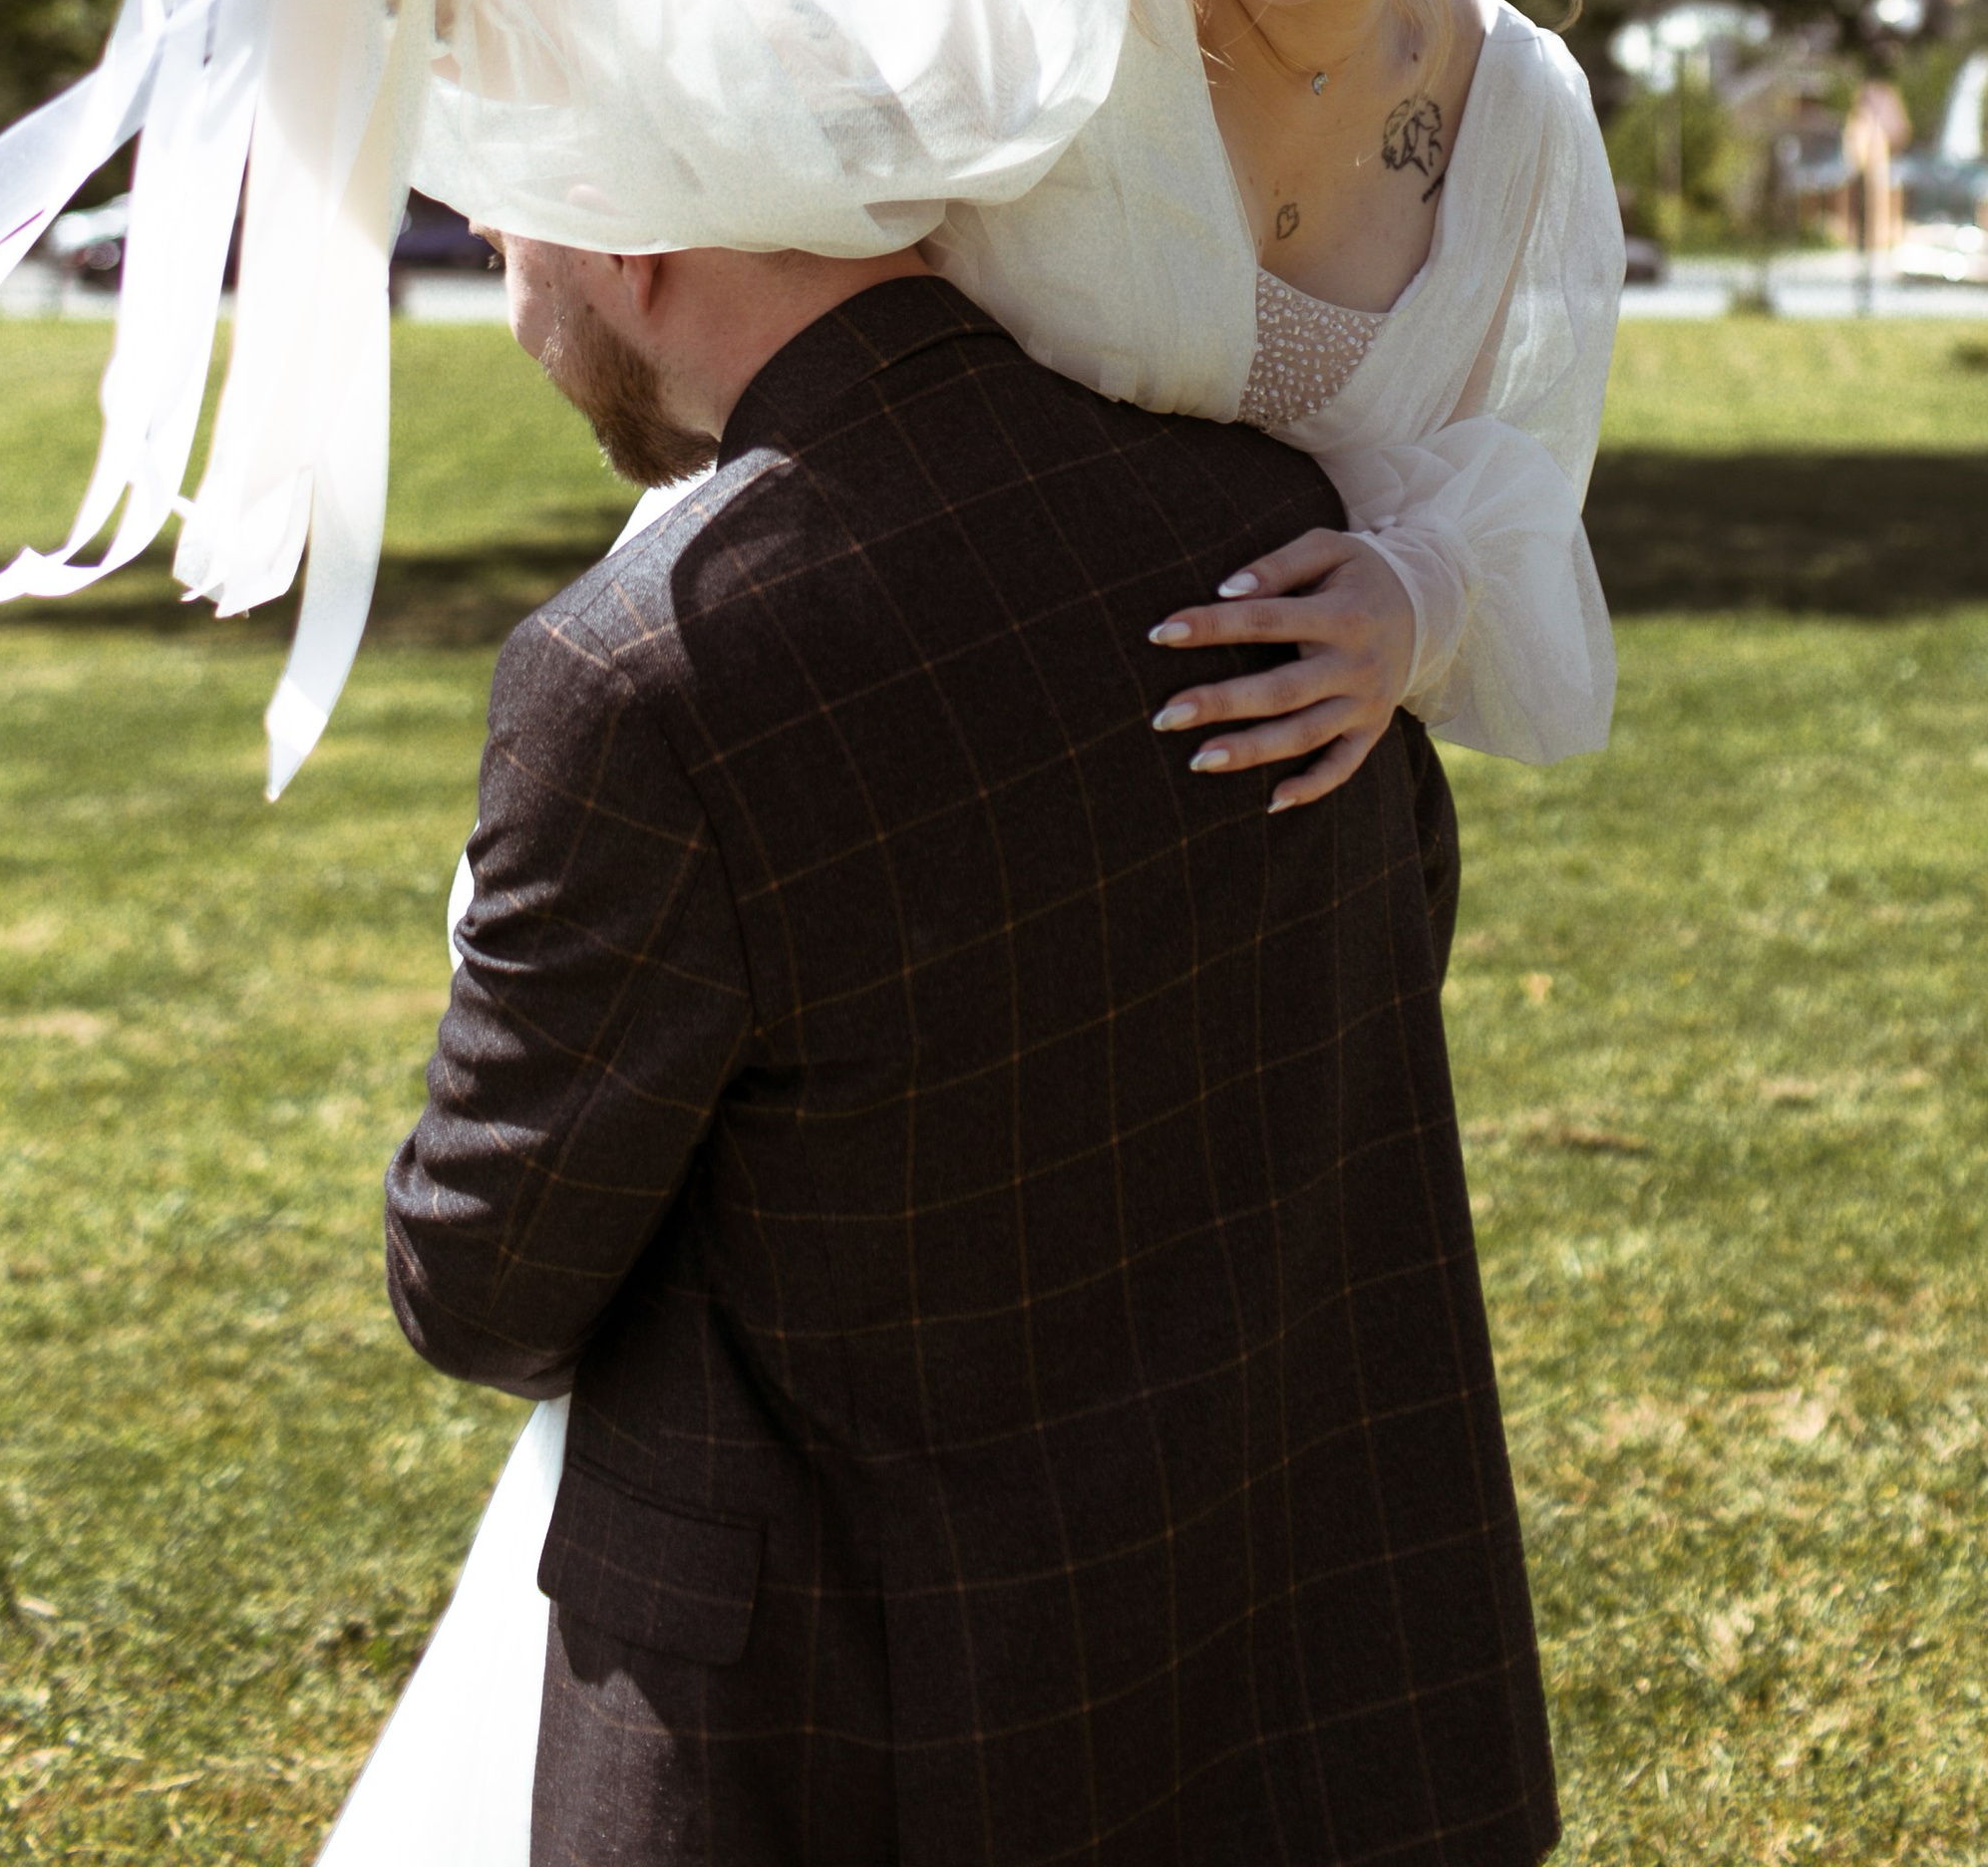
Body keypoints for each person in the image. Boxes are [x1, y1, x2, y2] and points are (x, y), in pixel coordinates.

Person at [96, 0, 1622, 1852]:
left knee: (1248, 1560)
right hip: (910, 823)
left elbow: (1511, 454)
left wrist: (1414, 592)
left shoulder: (1517, 113)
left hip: (1245, 884)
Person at [378, 213, 1563, 1864]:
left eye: (512, 242)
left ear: (630, 239)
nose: (513, 308)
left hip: (848, 1740)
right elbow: (1375, 965)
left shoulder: (638, 672)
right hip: (1303, 1686)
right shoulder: (1274, 524)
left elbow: (484, 1284)